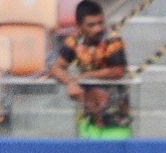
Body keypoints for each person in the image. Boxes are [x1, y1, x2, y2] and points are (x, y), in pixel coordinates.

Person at [50, 0, 132, 139]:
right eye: (91, 25)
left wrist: (86, 75)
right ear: (79, 26)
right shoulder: (74, 41)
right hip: (88, 116)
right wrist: (70, 82)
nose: (98, 28)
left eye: (100, 23)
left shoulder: (112, 39)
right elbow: (56, 67)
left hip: (115, 118)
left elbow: (118, 70)